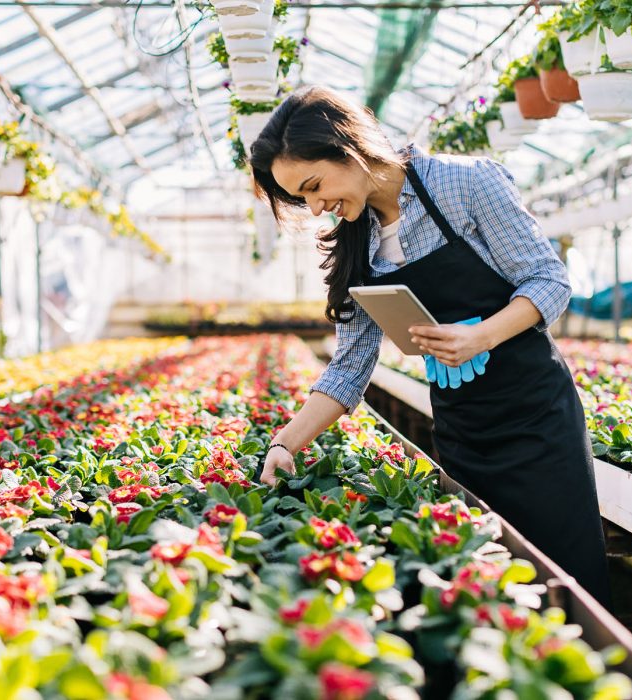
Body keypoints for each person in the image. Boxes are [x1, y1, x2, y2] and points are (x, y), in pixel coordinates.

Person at [249, 86, 612, 609]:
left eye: (313, 185)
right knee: (489, 577)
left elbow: (548, 281)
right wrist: (285, 444)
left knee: (568, 569)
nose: (315, 205)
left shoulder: (465, 183)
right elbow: (349, 366)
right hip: (462, 429)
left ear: (348, 148)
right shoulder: (357, 239)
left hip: (536, 419)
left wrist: (481, 335)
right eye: (300, 199)